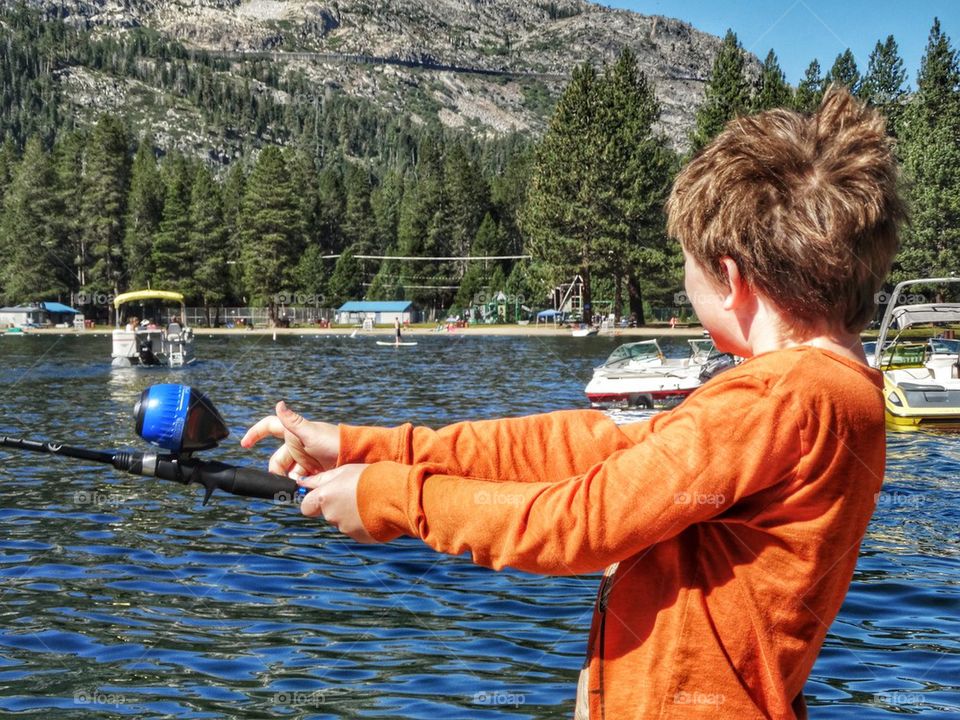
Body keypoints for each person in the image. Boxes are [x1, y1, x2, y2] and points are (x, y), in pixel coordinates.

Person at [241, 88, 905, 719]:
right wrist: (364, 448)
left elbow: (585, 521)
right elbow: (594, 451)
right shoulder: (813, 391)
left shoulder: (783, 396)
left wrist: (393, 498)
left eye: (687, 272)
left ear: (729, 278)